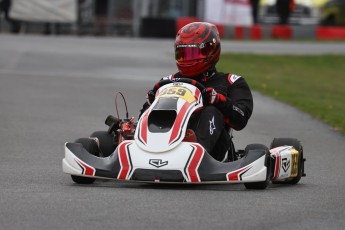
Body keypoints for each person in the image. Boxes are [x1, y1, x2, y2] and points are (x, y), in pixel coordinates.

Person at [139, 22, 253, 162]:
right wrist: (152, 101)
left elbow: (240, 118)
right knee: (156, 106)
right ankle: (141, 148)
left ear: (210, 50)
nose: (188, 59)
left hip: (212, 150)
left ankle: (196, 155)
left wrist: (219, 101)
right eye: (183, 54)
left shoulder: (231, 82)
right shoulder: (168, 81)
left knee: (211, 110)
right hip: (166, 139)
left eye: (193, 53)